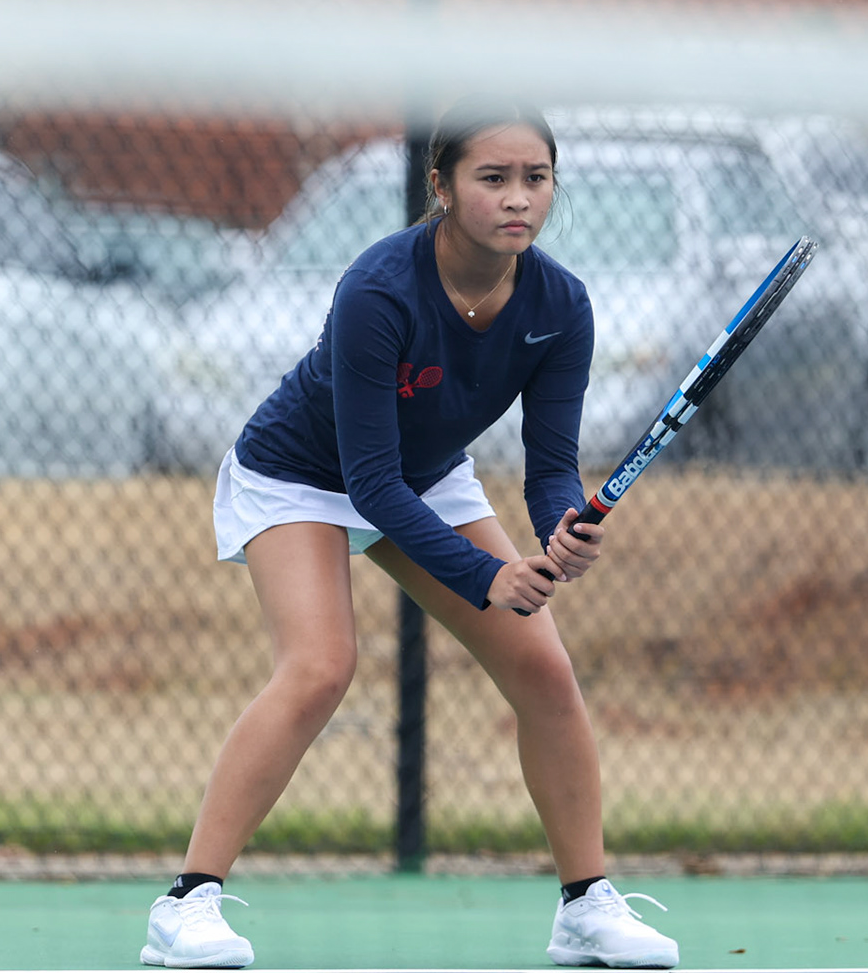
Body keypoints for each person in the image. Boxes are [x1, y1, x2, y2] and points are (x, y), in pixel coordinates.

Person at [140, 99, 680, 970]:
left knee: (544, 667)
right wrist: (486, 576)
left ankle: (586, 906)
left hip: (423, 474)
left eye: (535, 179)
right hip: (301, 476)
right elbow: (370, 484)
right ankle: (186, 905)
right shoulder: (380, 290)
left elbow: (548, 466)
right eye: (492, 179)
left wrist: (560, 528)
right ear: (441, 187)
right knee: (321, 666)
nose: (518, 199)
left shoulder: (561, 306)